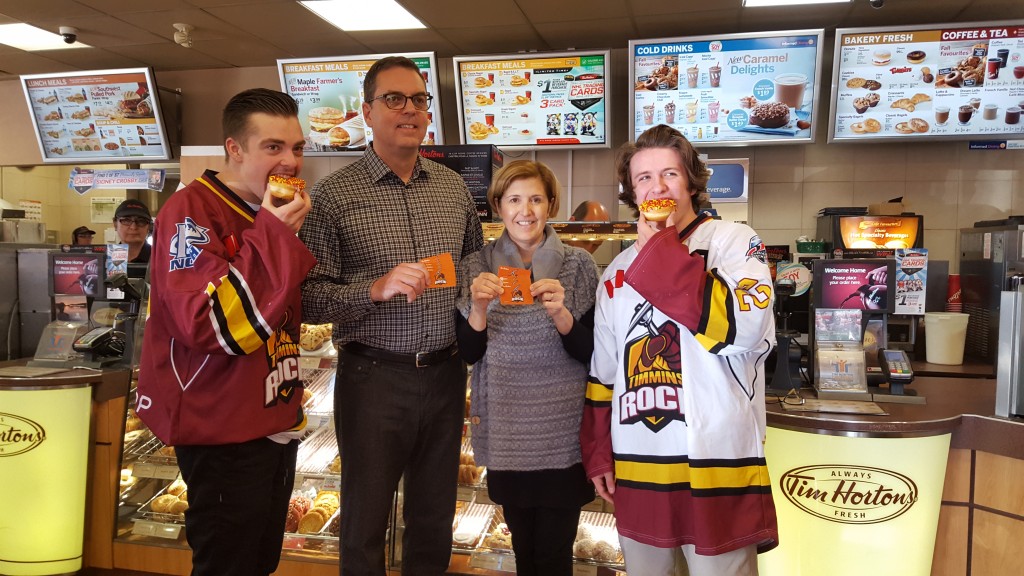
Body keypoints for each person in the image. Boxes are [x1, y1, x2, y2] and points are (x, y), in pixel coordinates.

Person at [300, 55, 483, 576]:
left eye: (419, 100)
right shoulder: (334, 195)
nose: (409, 110)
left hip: (447, 376)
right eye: (394, 99)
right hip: (371, 376)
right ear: (366, 111)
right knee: (364, 523)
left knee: (433, 520)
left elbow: (471, 270)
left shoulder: (453, 190)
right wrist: (373, 290)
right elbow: (308, 296)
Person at [581, 125, 778, 576]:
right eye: (644, 178)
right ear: (632, 191)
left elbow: (742, 329)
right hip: (639, 458)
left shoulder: (734, 242)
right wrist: (597, 450)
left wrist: (662, 253)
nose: (658, 187)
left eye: (669, 173)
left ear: (690, 180)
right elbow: (605, 370)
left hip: (718, 456)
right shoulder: (616, 270)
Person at [135, 88, 314, 576]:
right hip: (219, 429)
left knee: (259, 560)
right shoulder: (191, 210)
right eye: (273, 148)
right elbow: (210, 324)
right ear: (234, 150)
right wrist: (276, 236)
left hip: (270, 420)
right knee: (226, 562)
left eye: (297, 148)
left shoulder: (271, 212)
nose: (290, 162)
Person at [456, 160, 598, 574]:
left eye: (536, 199)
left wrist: (562, 316)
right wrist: (479, 308)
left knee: (555, 555)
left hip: (563, 432)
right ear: (498, 206)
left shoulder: (578, 266)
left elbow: (591, 353)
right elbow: (469, 353)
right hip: (507, 429)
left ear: (551, 205)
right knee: (523, 551)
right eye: (515, 199)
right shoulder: (474, 266)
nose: (526, 210)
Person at [112, 199, 152, 263]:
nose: (133, 227)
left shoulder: (161, 258)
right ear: (115, 224)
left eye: (141, 221)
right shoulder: (105, 259)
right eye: (126, 220)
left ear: (149, 226)